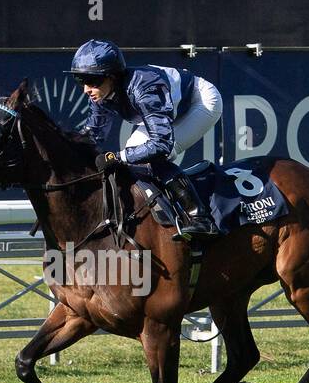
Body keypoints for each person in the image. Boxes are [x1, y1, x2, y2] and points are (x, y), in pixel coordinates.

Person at [68, 39, 223, 241]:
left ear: (113, 77)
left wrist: (117, 156)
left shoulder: (144, 88)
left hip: (201, 102)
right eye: (82, 81)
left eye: (92, 81)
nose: (86, 89)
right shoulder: (99, 95)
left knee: (151, 156)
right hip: (169, 109)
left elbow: (161, 144)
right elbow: (92, 137)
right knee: (133, 153)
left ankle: (200, 218)